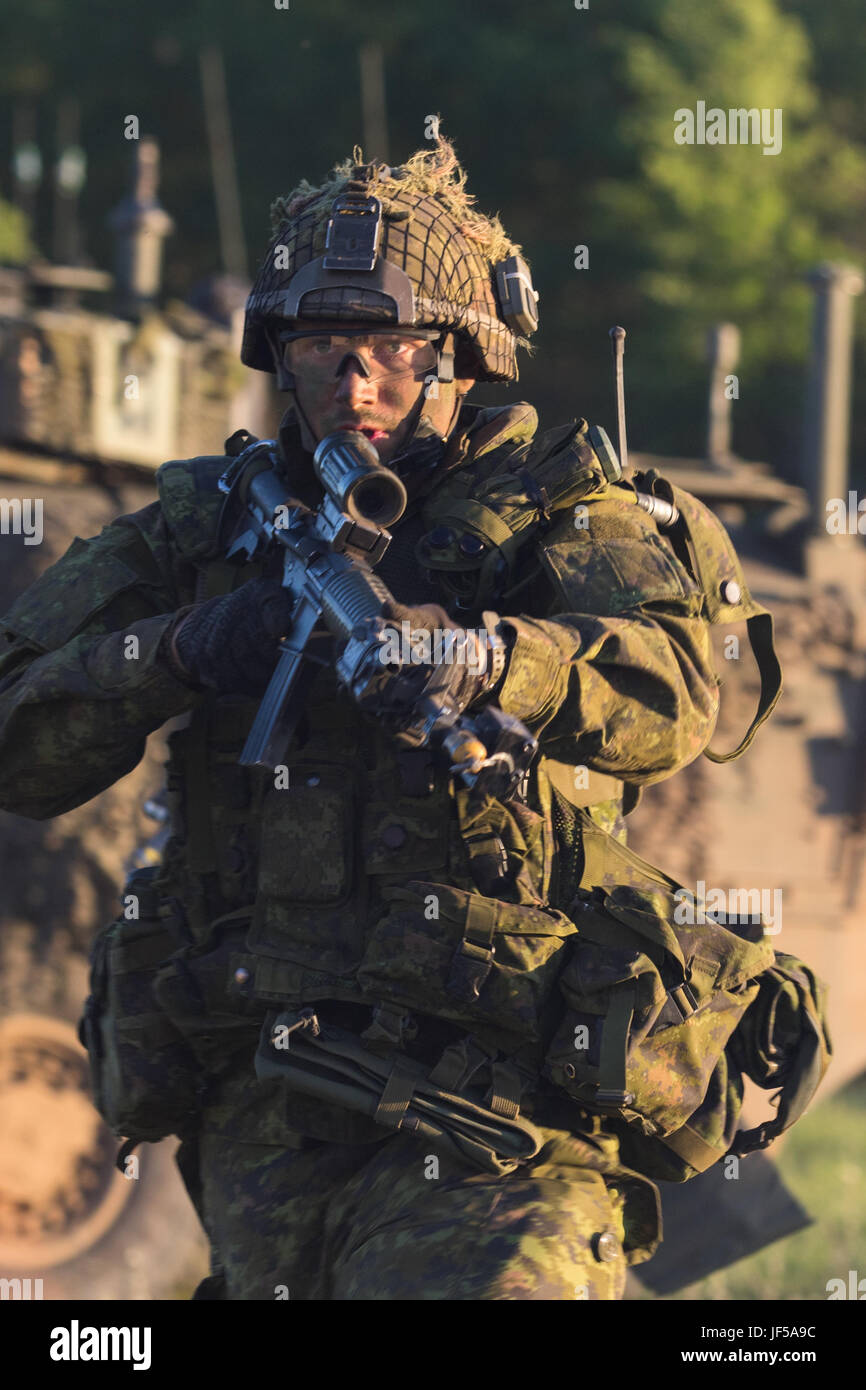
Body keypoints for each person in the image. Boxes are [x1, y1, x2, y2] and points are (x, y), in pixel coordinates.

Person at [0, 139, 738, 1300]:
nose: (356, 383)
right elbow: (17, 740)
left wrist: (490, 659)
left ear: (461, 357)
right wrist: (178, 649)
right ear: (276, 360)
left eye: (394, 349)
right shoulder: (204, 531)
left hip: (501, 1096)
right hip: (270, 1097)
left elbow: (677, 690)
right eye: (318, 349)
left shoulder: (561, 518)